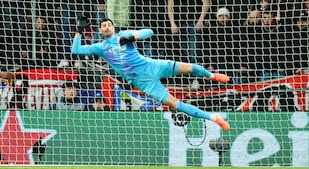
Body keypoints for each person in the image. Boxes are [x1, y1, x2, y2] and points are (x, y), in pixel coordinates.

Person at [71, 18, 230, 131]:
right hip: (143, 82)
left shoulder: (124, 35)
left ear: (114, 28)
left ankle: (212, 76)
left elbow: (150, 32)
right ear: (100, 30)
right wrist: (79, 31)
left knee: (191, 67)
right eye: (103, 26)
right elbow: (76, 50)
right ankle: (215, 119)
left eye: (109, 25)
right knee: (177, 104)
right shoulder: (100, 47)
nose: (106, 27)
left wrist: (133, 37)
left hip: (151, 66)